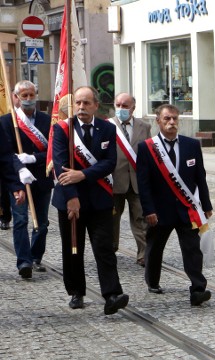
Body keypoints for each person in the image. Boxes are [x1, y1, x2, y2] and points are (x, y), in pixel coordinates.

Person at [52, 86, 128, 314]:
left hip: (100, 199)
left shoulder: (107, 128)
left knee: (104, 248)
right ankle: (76, 291)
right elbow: (60, 165)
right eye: (78, 103)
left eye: (87, 103)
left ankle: (112, 294)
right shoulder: (63, 129)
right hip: (69, 199)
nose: (82, 107)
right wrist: (72, 198)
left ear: (96, 105)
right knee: (73, 248)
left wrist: (83, 174)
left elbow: (109, 162)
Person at [136, 104, 213, 306]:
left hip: (186, 209)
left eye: (175, 119)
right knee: (154, 248)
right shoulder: (147, 148)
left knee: (192, 249)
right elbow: (143, 184)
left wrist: (206, 205)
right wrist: (148, 210)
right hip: (159, 212)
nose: (171, 123)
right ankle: (152, 281)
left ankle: (198, 289)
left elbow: (200, 177)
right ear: (158, 121)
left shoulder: (191, 145)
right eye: (167, 119)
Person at [1, 81, 53, 278]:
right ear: (16, 97)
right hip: (18, 179)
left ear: (36, 95)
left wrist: (33, 158)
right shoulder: (7, 122)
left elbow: (52, 152)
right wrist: (19, 165)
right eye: (24, 95)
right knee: (21, 220)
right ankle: (24, 261)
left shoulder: (48, 121)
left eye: (31, 95)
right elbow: (5, 154)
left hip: (42, 176)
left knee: (42, 222)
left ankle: (36, 255)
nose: (28, 99)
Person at [111, 92, 152, 266]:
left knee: (141, 219)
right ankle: (110, 250)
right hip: (114, 181)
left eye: (125, 106)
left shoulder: (144, 126)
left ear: (133, 108)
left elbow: (149, 152)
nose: (121, 109)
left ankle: (143, 254)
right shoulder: (107, 126)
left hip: (137, 180)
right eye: (118, 105)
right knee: (112, 219)